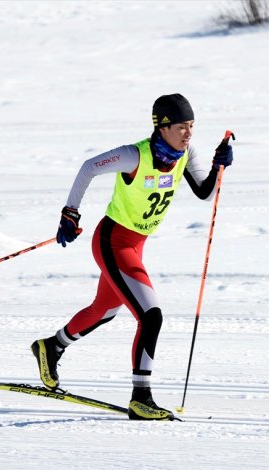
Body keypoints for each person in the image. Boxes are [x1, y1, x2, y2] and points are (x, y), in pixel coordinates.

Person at [31, 94, 234, 420]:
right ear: (162, 126)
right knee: (151, 315)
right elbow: (88, 168)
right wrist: (70, 213)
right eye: (182, 126)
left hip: (135, 244)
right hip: (112, 242)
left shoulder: (185, 154)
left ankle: (51, 346)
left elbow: (204, 191)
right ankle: (141, 398)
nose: (188, 133)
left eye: (192, 126)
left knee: (105, 310)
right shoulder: (133, 156)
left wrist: (218, 165)